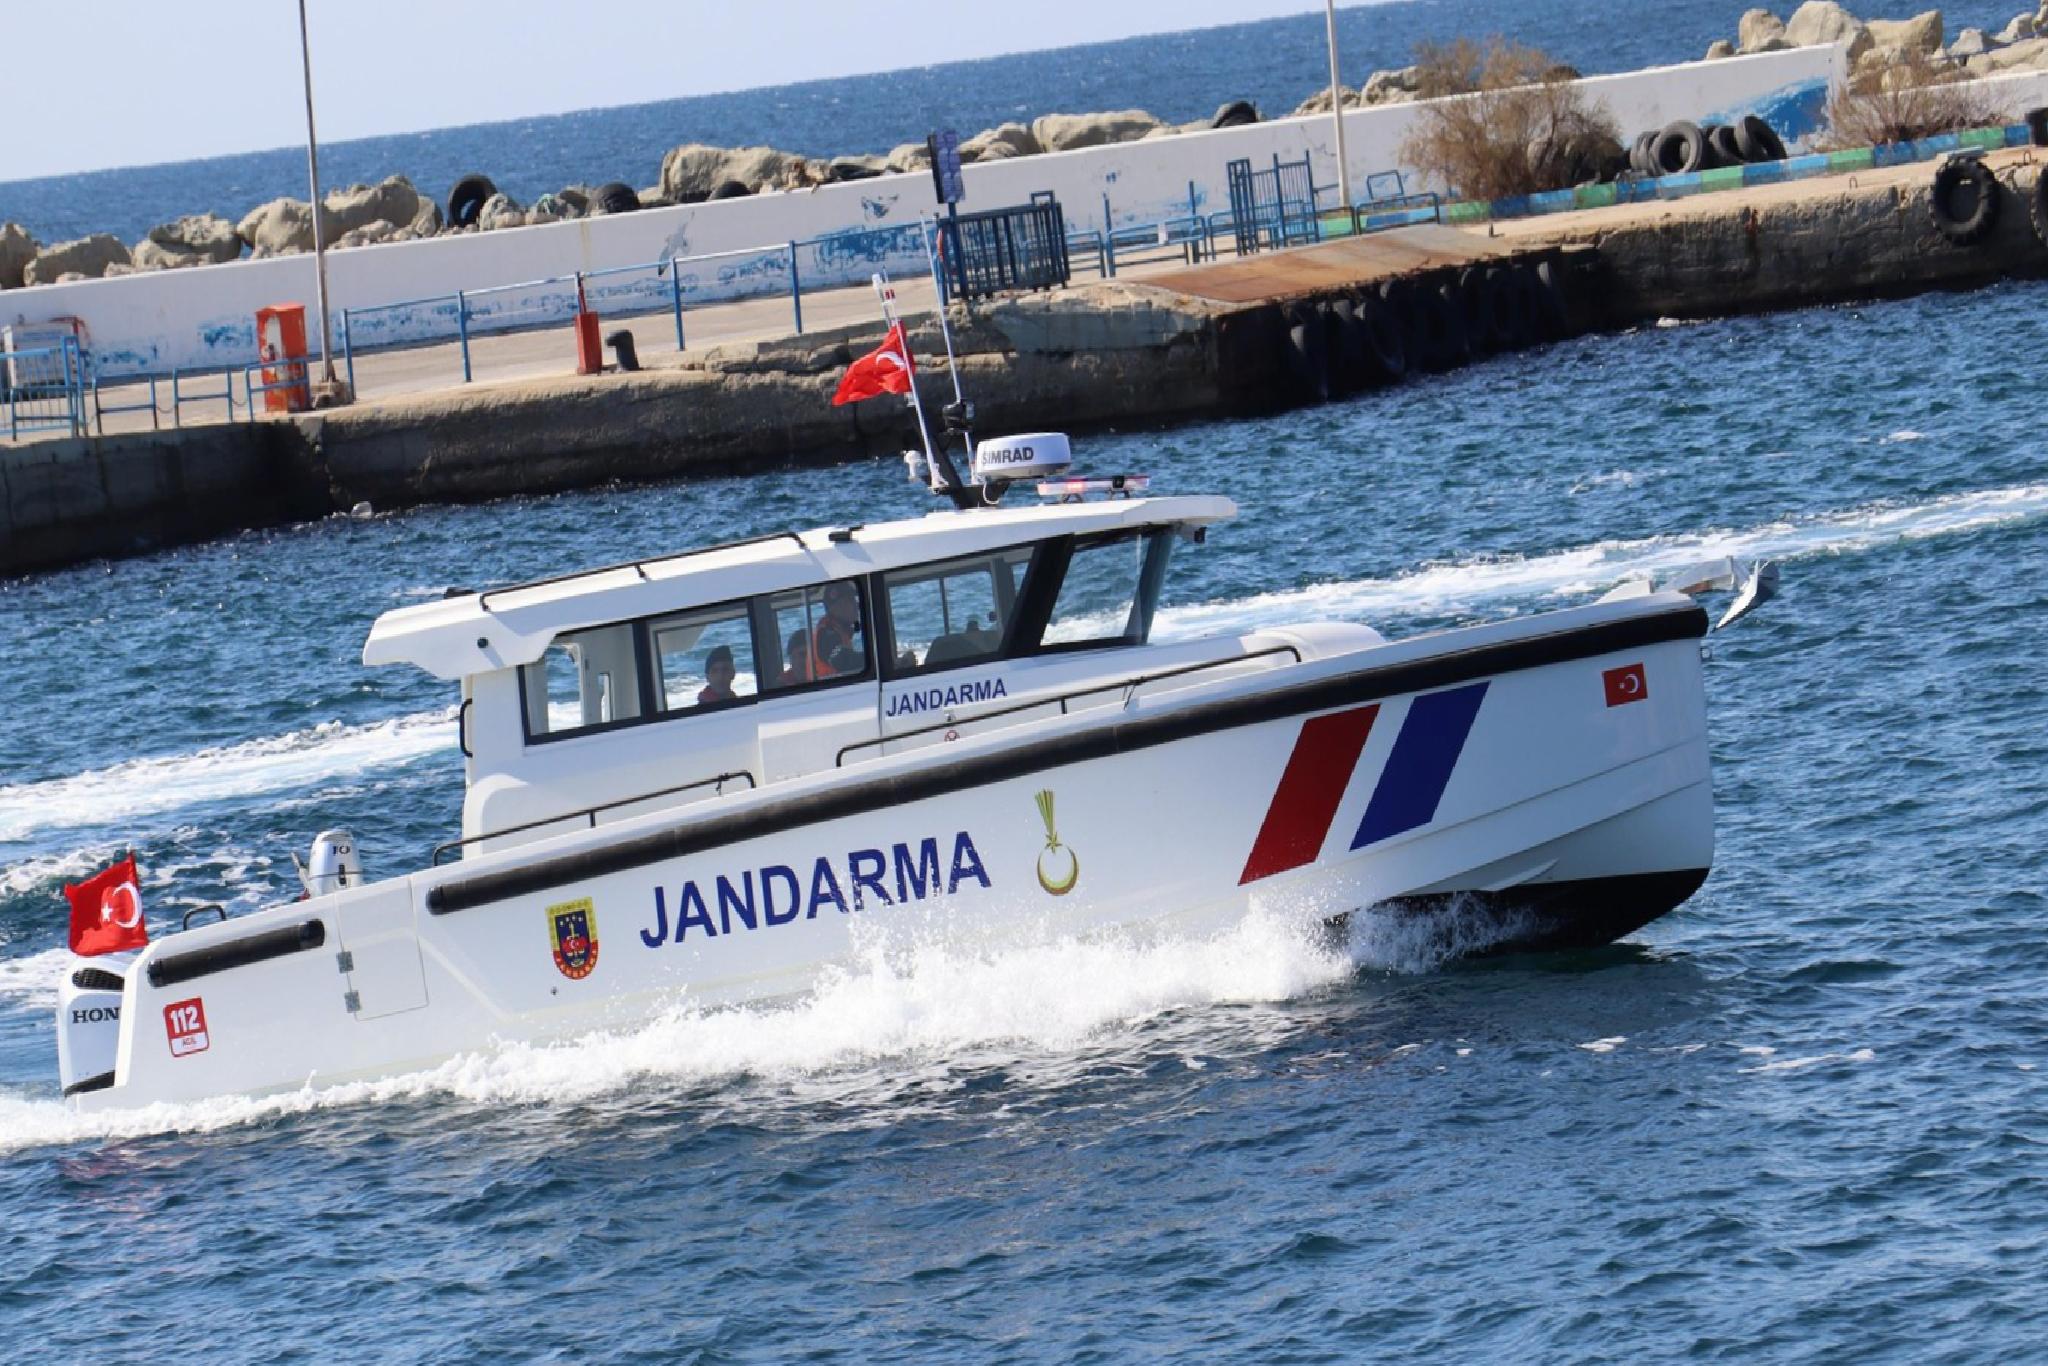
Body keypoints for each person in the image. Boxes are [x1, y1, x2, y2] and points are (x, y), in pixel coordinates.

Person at [812, 580, 865, 678]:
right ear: (836, 607)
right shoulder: (827, 634)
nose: (857, 605)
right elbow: (845, 661)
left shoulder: (837, 630)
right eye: (850, 600)